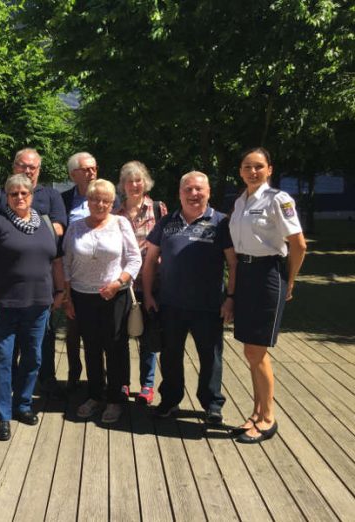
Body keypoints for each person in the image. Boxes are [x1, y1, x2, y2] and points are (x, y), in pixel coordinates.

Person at [0, 174, 64, 441]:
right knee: (3, 359)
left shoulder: (45, 224)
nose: (19, 197)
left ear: (32, 194)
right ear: (6, 197)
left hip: (39, 305)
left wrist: (62, 291)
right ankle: (2, 414)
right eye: (13, 194)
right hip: (5, 306)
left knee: (33, 357)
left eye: (24, 193)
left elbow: (56, 261)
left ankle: (23, 404)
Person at [142, 171, 236, 424]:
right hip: (171, 304)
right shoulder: (166, 222)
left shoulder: (221, 222)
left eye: (199, 189)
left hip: (209, 306)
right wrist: (149, 294)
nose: (194, 194)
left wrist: (230, 298)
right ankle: (170, 400)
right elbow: (150, 262)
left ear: (208, 192)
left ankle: (212, 403)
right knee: (171, 356)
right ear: (180, 193)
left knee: (211, 357)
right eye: (188, 189)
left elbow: (233, 264)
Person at [230, 147, 306, 443]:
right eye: (247, 167)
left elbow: (298, 244)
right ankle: (256, 412)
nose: (252, 171)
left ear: (269, 170)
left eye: (258, 166)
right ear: (240, 171)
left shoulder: (279, 199)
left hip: (268, 274)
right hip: (247, 275)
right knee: (251, 351)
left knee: (257, 351)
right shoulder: (240, 202)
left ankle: (268, 417)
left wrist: (290, 279)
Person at [0, 148, 67, 396]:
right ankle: (3, 403)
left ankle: (36, 389)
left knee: (38, 347)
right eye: (23, 165)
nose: (28, 170)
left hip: (41, 289)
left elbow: (58, 229)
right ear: (14, 167)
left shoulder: (51, 196)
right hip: (6, 290)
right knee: (4, 353)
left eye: (33, 167)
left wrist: (61, 288)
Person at [63, 179, 141, 423]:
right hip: (82, 296)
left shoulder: (121, 223)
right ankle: (95, 395)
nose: (100, 204)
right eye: (95, 199)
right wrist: (67, 296)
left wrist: (118, 283)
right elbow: (66, 264)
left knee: (116, 347)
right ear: (88, 201)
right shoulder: (75, 227)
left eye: (106, 200)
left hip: (114, 296)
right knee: (92, 348)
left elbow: (134, 259)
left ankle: (116, 399)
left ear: (112, 203)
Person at [117, 160, 167, 405]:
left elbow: (167, 245)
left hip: (151, 284)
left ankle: (147, 385)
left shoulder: (158, 209)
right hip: (123, 284)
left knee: (149, 336)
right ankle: (122, 383)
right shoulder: (115, 212)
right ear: (122, 185)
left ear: (145, 183)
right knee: (120, 337)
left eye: (138, 180)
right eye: (129, 180)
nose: (134, 184)